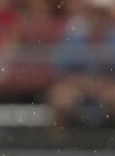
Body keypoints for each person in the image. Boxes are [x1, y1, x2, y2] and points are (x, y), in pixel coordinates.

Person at [47, 0, 115, 129]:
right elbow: (60, 68)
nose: (97, 18)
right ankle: (57, 145)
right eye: (93, 13)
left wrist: (101, 84)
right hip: (77, 87)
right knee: (60, 98)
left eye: (101, 14)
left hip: (107, 87)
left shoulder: (113, 38)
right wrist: (84, 84)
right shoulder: (73, 37)